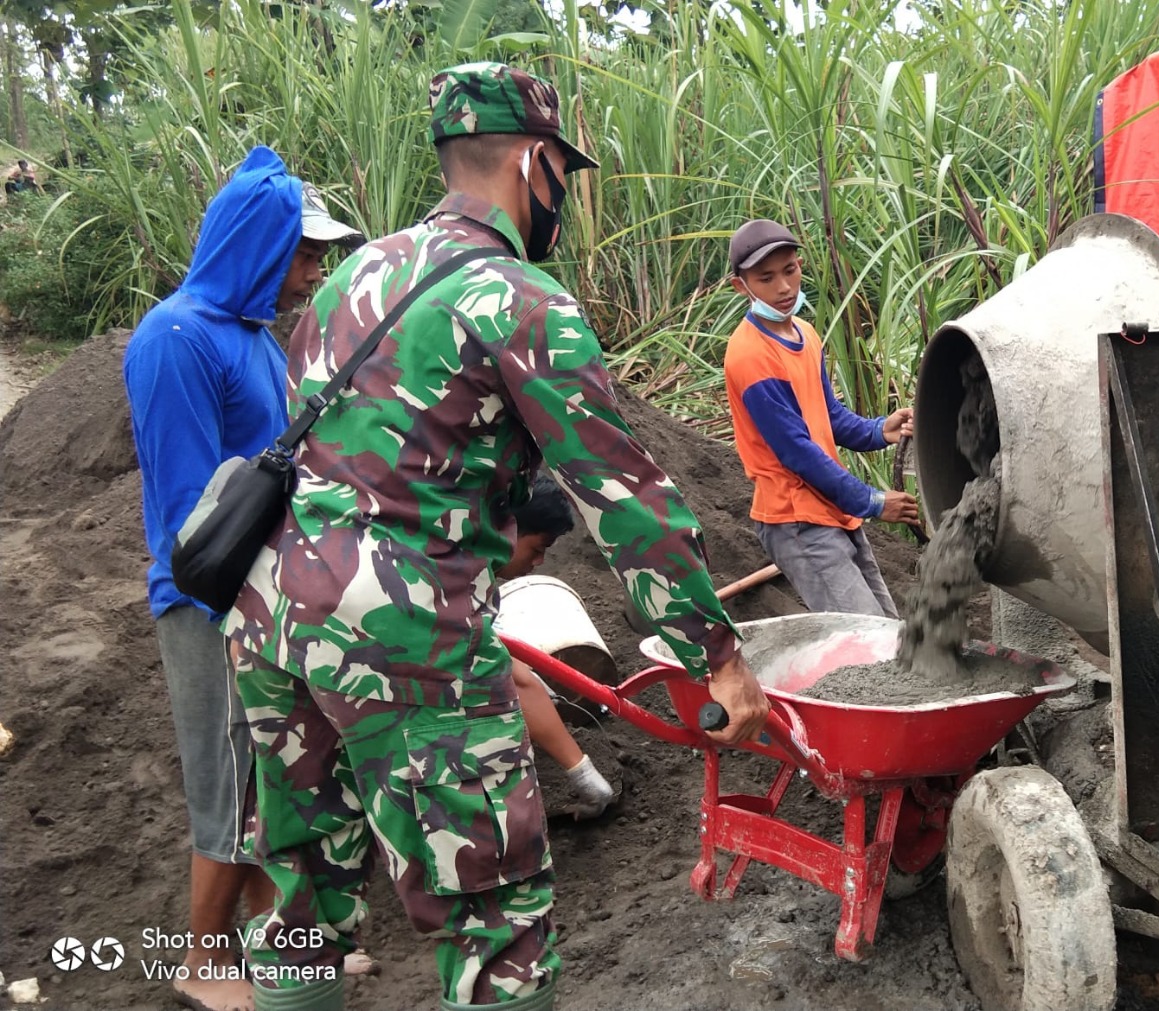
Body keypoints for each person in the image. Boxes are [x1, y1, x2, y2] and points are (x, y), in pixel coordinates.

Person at [223, 62, 770, 1011]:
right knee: (493, 925)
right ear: (534, 161)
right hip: (404, 630)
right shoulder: (522, 300)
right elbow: (624, 498)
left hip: (272, 611)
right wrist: (713, 653)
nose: (563, 193)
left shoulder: (355, 273)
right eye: (564, 171)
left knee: (302, 894)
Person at [122, 146, 363, 1011]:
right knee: (225, 773)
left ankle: (279, 939)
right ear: (258, 245)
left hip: (266, 589)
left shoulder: (251, 336)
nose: (311, 272)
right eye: (302, 253)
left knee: (273, 775)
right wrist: (232, 603)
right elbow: (193, 505)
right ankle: (202, 960)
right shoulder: (177, 338)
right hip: (207, 597)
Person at [723, 218, 918, 619]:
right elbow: (798, 452)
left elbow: (827, 416)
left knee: (885, 631)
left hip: (829, 509)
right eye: (766, 278)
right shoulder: (752, 357)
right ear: (741, 286)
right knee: (864, 644)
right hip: (796, 521)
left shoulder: (805, 335)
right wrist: (873, 501)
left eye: (789, 270)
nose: (783, 288)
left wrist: (879, 430)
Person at [496, 473, 615, 820]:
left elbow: (515, 672)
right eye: (537, 548)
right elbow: (512, 678)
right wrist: (583, 775)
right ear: (507, 528)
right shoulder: (447, 581)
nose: (539, 561)